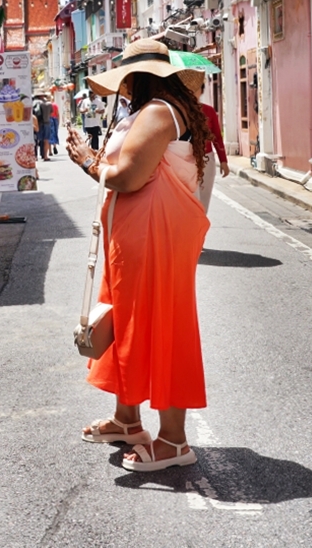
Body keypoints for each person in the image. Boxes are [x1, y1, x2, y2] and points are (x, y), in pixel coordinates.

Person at [65, 39, 212, 473]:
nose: (121, 87)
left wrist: (87, 161)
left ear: (137, 77)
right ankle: (128, 420)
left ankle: (173, 441)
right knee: (129, 321)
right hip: (139, 236)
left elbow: (128, 177)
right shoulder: (156, 111)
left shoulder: (156, 113)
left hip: (153, 237)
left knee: (163, 323)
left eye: (125, 79)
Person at [182, 73, 230, 212]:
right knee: (188, 199)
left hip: (207, 159)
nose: (192, 93)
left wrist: (223, 161)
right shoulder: (180, 111)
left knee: (203, 200)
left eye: (195, 89)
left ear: (201, 90)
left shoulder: (209, 111)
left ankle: (199, 230)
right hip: (186, 159)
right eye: (188, 90)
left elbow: (217, 137)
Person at [32, 93, 53, 161]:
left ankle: (35, 156)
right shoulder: (49, 104)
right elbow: (51, 113)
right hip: (47, 123)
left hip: (37, 123)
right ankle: (45, 156)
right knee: (46, 140)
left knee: (36, 139)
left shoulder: (34, 103)